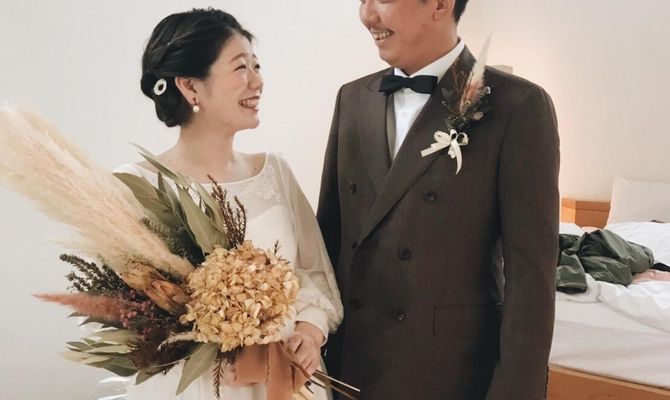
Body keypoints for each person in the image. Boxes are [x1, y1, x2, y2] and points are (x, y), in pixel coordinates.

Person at [317, 0, 559, 399]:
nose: (367, 15)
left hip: (449, 374)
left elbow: (532, 278)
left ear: (441, 5)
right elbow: (328, 241)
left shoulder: (517, 105)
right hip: (351, 369)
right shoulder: (352, 98)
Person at [116, 8, 343, 399]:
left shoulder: (275, 172)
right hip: (195, 387)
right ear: (190, 87)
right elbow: (125, 310)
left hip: (283, 380)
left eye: (257, 66)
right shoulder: (139, 185)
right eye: (241, 68)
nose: (257, 81)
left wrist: (308, 331)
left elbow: (315, 274)